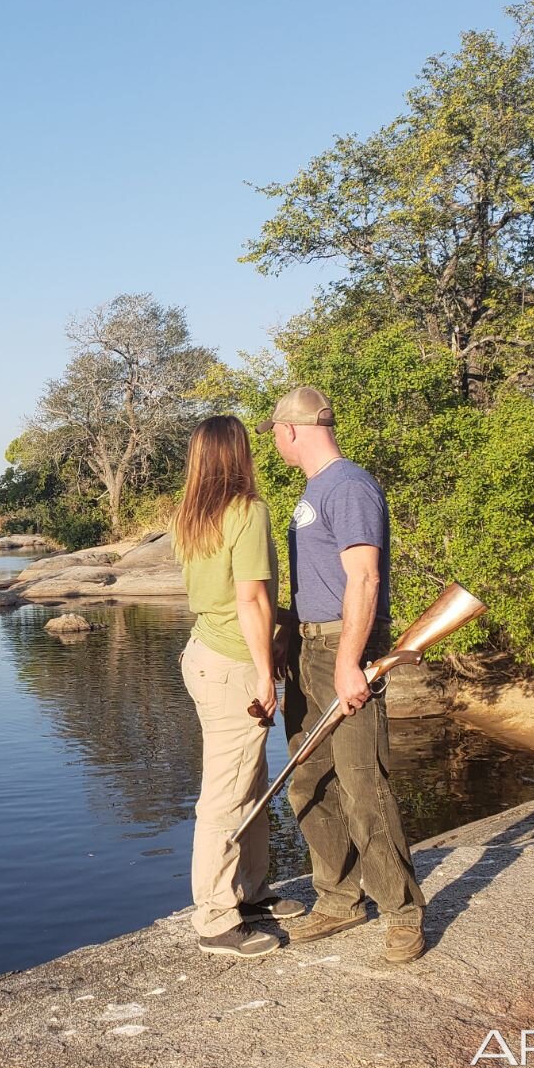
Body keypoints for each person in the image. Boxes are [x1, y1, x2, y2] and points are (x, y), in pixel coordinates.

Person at [259, 386, 428, 964]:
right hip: (309, 646)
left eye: (275, 434)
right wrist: (288, 637)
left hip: (343, 649)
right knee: (309, 781)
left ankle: (402, 912)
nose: (275, 443)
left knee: (363, 785)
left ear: (290, 430)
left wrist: (349, 662)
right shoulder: (315, 490)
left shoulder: (350, 485)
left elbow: (366, 579)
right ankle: (337, 899)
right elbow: (318, 581)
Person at [173, 414, 307, 958]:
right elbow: (250, 598)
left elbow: (229, 597)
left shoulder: (190, 515)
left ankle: (250, 892)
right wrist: (262, 670)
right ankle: (214, 918)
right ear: (239, 453)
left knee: (250, 779)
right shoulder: (247, 511)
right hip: (231, 663)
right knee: (227, 793)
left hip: (205, 653)